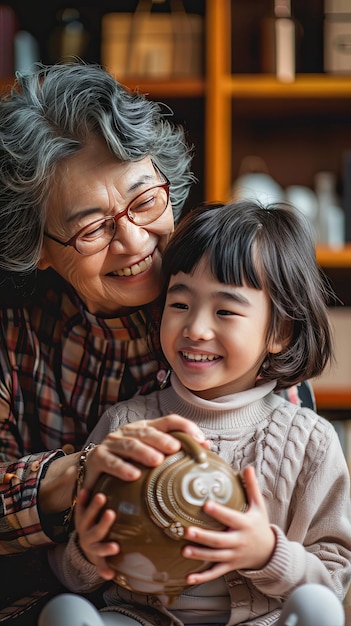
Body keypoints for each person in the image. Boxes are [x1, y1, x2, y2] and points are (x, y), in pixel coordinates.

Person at [48, 200, 351, 626]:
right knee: (65, 612)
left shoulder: (310, 440)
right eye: (180, 304)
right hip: (139, 617)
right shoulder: (127, 426)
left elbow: (334, 578)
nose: (195, 329)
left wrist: (267, 552)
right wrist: (86, 556)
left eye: (225, 310)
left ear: (279, 331)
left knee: (319, 610)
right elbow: (68, 570)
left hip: (260, 620)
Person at [0, 61, 209, 620]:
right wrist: (83, 475)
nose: (136, 241)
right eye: (93, 229)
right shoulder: (13, 330)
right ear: (37, 246)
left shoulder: (223, 294)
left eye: (145, 202)